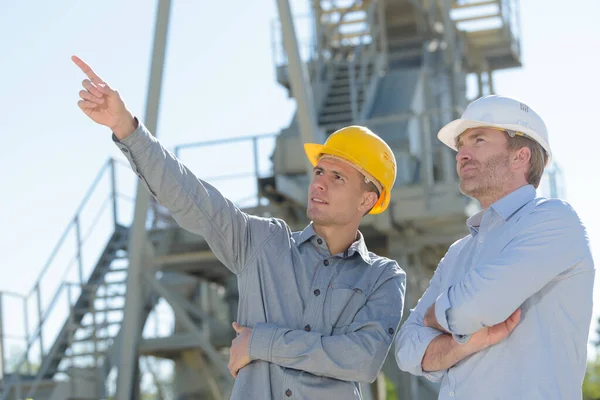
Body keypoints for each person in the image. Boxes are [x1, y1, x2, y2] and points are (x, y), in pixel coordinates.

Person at [72, 55, 406, 399]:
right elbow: (194, 197)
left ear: (367, 200)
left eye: (337, 177)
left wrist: (260, 342)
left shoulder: (382, 278)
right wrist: (127, 128)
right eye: (319, 171)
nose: (319, 184)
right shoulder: (262, 243)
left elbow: (362, 361)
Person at [394, 94, 595, 399]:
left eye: (478, 140)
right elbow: (406, 349)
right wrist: (468, 342)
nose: (461, 154)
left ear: (520, 157)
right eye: (460, 145)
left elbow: (471, 309)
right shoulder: (458, 252)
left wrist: (436, 316)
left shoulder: (555, 221)